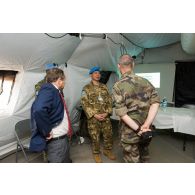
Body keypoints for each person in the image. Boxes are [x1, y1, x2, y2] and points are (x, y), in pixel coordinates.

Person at [112, 54, 160, 163]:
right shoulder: (146, 82)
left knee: (132, 161)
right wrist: (146, 125)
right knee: (144, 156)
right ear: (133, 64)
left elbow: (122, 114)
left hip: (130, 132)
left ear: (119, 66)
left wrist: (138, 130)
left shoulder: (117, 86)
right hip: (146, 130)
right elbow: (155, 102)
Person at [30, 68, 72, 163]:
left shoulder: (55, 90)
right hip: (56, 142)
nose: (65, 82)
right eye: (64, 80)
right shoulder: (48, 89)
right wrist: (47, 130)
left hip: (62, 138)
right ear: (59, 80)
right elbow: (39, 109)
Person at [81, 66, 116, 163]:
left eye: (99, 73)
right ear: (91, 75)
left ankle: (107, 150)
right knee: (95, 136)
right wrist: (94, 115)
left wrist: (107, 112)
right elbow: (84, 103)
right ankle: (96, 153)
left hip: (105, 117)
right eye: (95, 73)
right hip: (93, 118)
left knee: (108, 135)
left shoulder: (104, 87)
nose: (98, 75)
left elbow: (110, 100)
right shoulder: (86, 88)